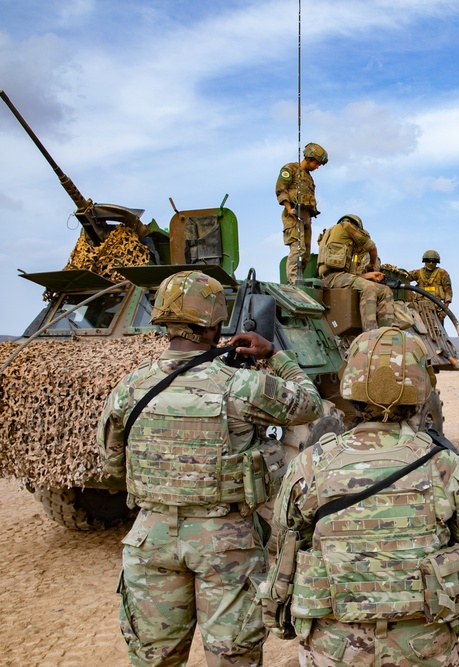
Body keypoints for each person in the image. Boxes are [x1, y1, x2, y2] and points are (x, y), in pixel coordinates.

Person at [97, 270, 324, 667]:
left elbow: (114, 467)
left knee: (153, 658)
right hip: (226, 541)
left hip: (149, 539)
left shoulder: (130, 386)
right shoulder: (239, 387)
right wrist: (273, 354)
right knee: (233, 657)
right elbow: (309, 404)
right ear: (217, 321)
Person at [266, 327, 459, 666]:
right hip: (424, 645)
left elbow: (285, 539)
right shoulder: (444, 466)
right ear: (419, 389)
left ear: (349, 385)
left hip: (337, 647)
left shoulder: (310, 465)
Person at [317, 214, 395, 331]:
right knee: (369, 288)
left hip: (338, 277)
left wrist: (367, 275)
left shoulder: (333, 236)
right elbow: (372, 248)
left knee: (385, 291)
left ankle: (385, 334)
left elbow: (347, 276)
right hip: (331, 278)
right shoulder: (346, 226)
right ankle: (371, 333)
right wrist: (372, 265)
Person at [277, 142, 328, 284]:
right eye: (316, 163)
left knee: (305, 254)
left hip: (306, 217)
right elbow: (281, 189)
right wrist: (288, 208)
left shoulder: (309, 178)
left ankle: (299, 279)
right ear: (309, 158)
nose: (317, 167)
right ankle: (292, 281)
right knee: (297, 249)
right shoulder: (290, 169)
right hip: (293, 215)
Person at [408, 249, 453, 317]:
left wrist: (444, 311)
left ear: (436, 262)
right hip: (419, 307)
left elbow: (448, 292)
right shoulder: (417, 273)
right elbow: (405, 277)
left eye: (433, 261)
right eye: (429, 261)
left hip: (435, 309)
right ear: (425, 261)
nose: (431, 263)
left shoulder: (442, 273)